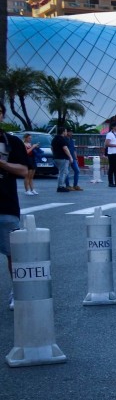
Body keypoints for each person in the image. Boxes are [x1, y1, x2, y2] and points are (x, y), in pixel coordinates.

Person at [0, 101, 31, 308]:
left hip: (5, 204)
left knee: (13, 252)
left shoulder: (10, 142)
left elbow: (23, 171)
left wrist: (1, 163)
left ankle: (17, 291)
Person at [52, 126, 73, 192]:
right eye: (66, 131)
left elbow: (51, 148)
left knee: (64, 172)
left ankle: (61, 185)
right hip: (62, 158)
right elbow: (65, 148)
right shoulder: (62, 139)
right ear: (63, 132)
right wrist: (70, 157)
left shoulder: (54, 139)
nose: (66, 132)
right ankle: (60, 186)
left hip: (56, 157)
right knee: (63, 172)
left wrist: (54, 154)